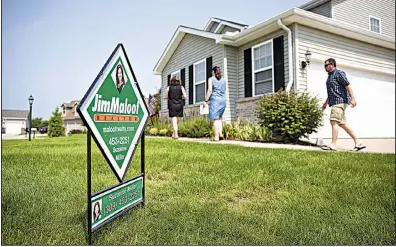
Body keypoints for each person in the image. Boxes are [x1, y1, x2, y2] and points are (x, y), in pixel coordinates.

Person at [321, 58, 366, 151]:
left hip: (340, 101)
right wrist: (325, 103)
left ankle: (333, 145)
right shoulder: (329, 76)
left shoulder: (339, 73)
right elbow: (331, 92)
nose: (325, 67)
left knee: (334, 121)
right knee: (342, 124)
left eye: (326, 65)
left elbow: (347, 85)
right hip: (335, 101)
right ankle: (358, 143)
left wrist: (353, 98)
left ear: (332, 65)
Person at [204, 66, 226, 141]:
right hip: (223, 100)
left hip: (215, 101)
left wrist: (206, 100)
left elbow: (210, 90)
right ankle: (220, 134)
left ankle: (216, 137)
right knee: (219, 118)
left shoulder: (211, 79)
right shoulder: (224, 80)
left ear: (214, 72)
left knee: (215, 119)